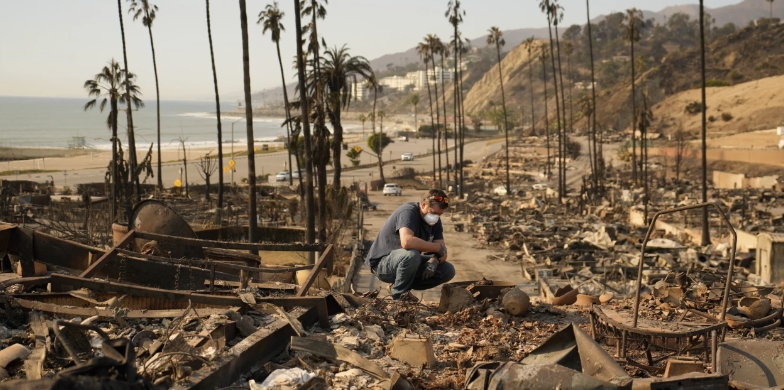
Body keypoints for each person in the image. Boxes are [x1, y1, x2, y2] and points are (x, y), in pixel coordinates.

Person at [365, 189, 455, 300]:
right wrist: (437, 248)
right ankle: (398, 297)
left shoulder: (435, 222)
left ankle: (398, 286)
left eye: (440, 214)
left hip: (405, 263)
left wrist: (435, 260)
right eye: (434, 213)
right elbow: (407, 242)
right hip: (382, 264)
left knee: (447, 270)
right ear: (423, 204)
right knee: (412, 255)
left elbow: (443, 252)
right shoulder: (408, 211)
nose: (436, 217)